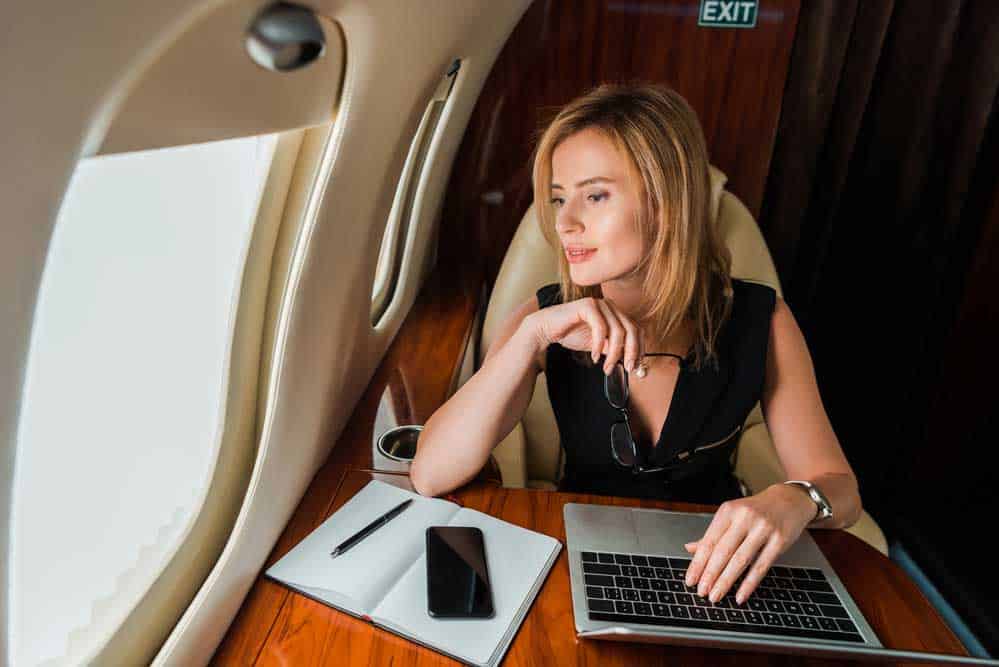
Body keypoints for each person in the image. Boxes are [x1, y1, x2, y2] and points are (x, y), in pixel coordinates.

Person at [410, 82, 863, 607]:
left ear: (668, 201)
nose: (564, 222)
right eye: (559, 198)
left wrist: (794, 499)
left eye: (595, 195)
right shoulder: (542, 318)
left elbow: (842, 491)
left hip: (715, 564)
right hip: (578, 557)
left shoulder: (763, 321)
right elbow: (430, 472)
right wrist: (530, 338)